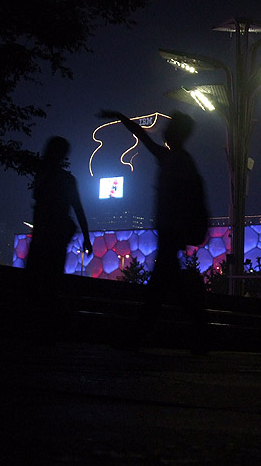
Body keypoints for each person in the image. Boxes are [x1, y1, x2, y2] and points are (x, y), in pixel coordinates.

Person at [97, 109, 210, 354]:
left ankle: (139, 338)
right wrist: (120, 116)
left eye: (169, 129)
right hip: (170, 232)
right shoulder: (174, 158)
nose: (164, 132)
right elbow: (142, 135)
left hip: (171, 231)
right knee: (168, 286)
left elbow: (186, 198)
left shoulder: (177, 161)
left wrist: (118, 115)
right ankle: (199, 334)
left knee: (160, 288)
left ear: (176, 133)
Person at [26, 136, 92, 343]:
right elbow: (78, 209)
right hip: (56, 235)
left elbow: (39, 209)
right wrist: (87, 238)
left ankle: (49, 326)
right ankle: (57, 325)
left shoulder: (44, 176)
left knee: (40, 281)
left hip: (47, 234)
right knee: (51, 280)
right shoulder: (65, 179)